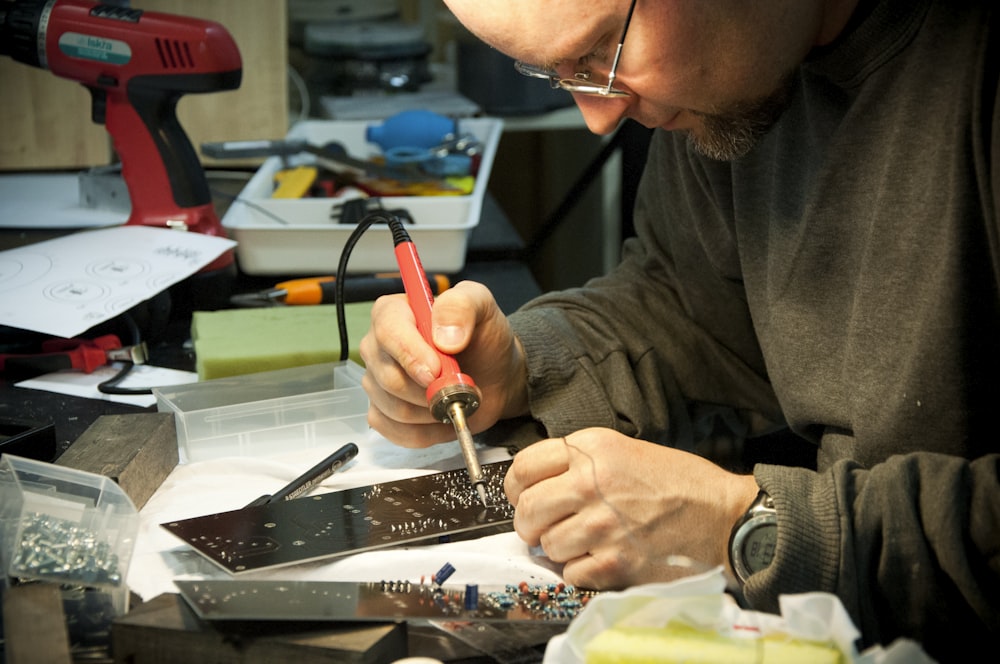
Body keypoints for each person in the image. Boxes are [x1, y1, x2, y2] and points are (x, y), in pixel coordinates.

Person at [359, 0, 999, 658]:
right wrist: (525, 367)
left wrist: (744, 525)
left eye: (602, 51)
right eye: (556, 74)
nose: (598, 115)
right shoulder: (736, 84)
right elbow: (695, 309)